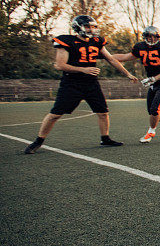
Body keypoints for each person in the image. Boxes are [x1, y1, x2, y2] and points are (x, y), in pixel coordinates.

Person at [24, 15, 138, 154]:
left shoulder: (96, 41)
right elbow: (60, 65)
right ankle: (38, 141)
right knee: (55, 114)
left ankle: (105, 138)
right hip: (72, 83)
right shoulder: (67, 41)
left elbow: (111, 59)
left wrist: (127, 74)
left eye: (94, 26)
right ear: (78, 27)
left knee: (103, 112)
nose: (91, 29)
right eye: (88, 26)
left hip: (91, 83)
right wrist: (83, 69)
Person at [113, 26, 160, 143]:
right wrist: (107, 57)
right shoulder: (140, 47)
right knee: (152, 111)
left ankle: (151, 132)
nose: (150, 39)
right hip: (153, 82)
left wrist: (153, 79)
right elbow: (125, 57)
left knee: (155, 109)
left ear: (158, 37)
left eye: (153, 36)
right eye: (148, 36)